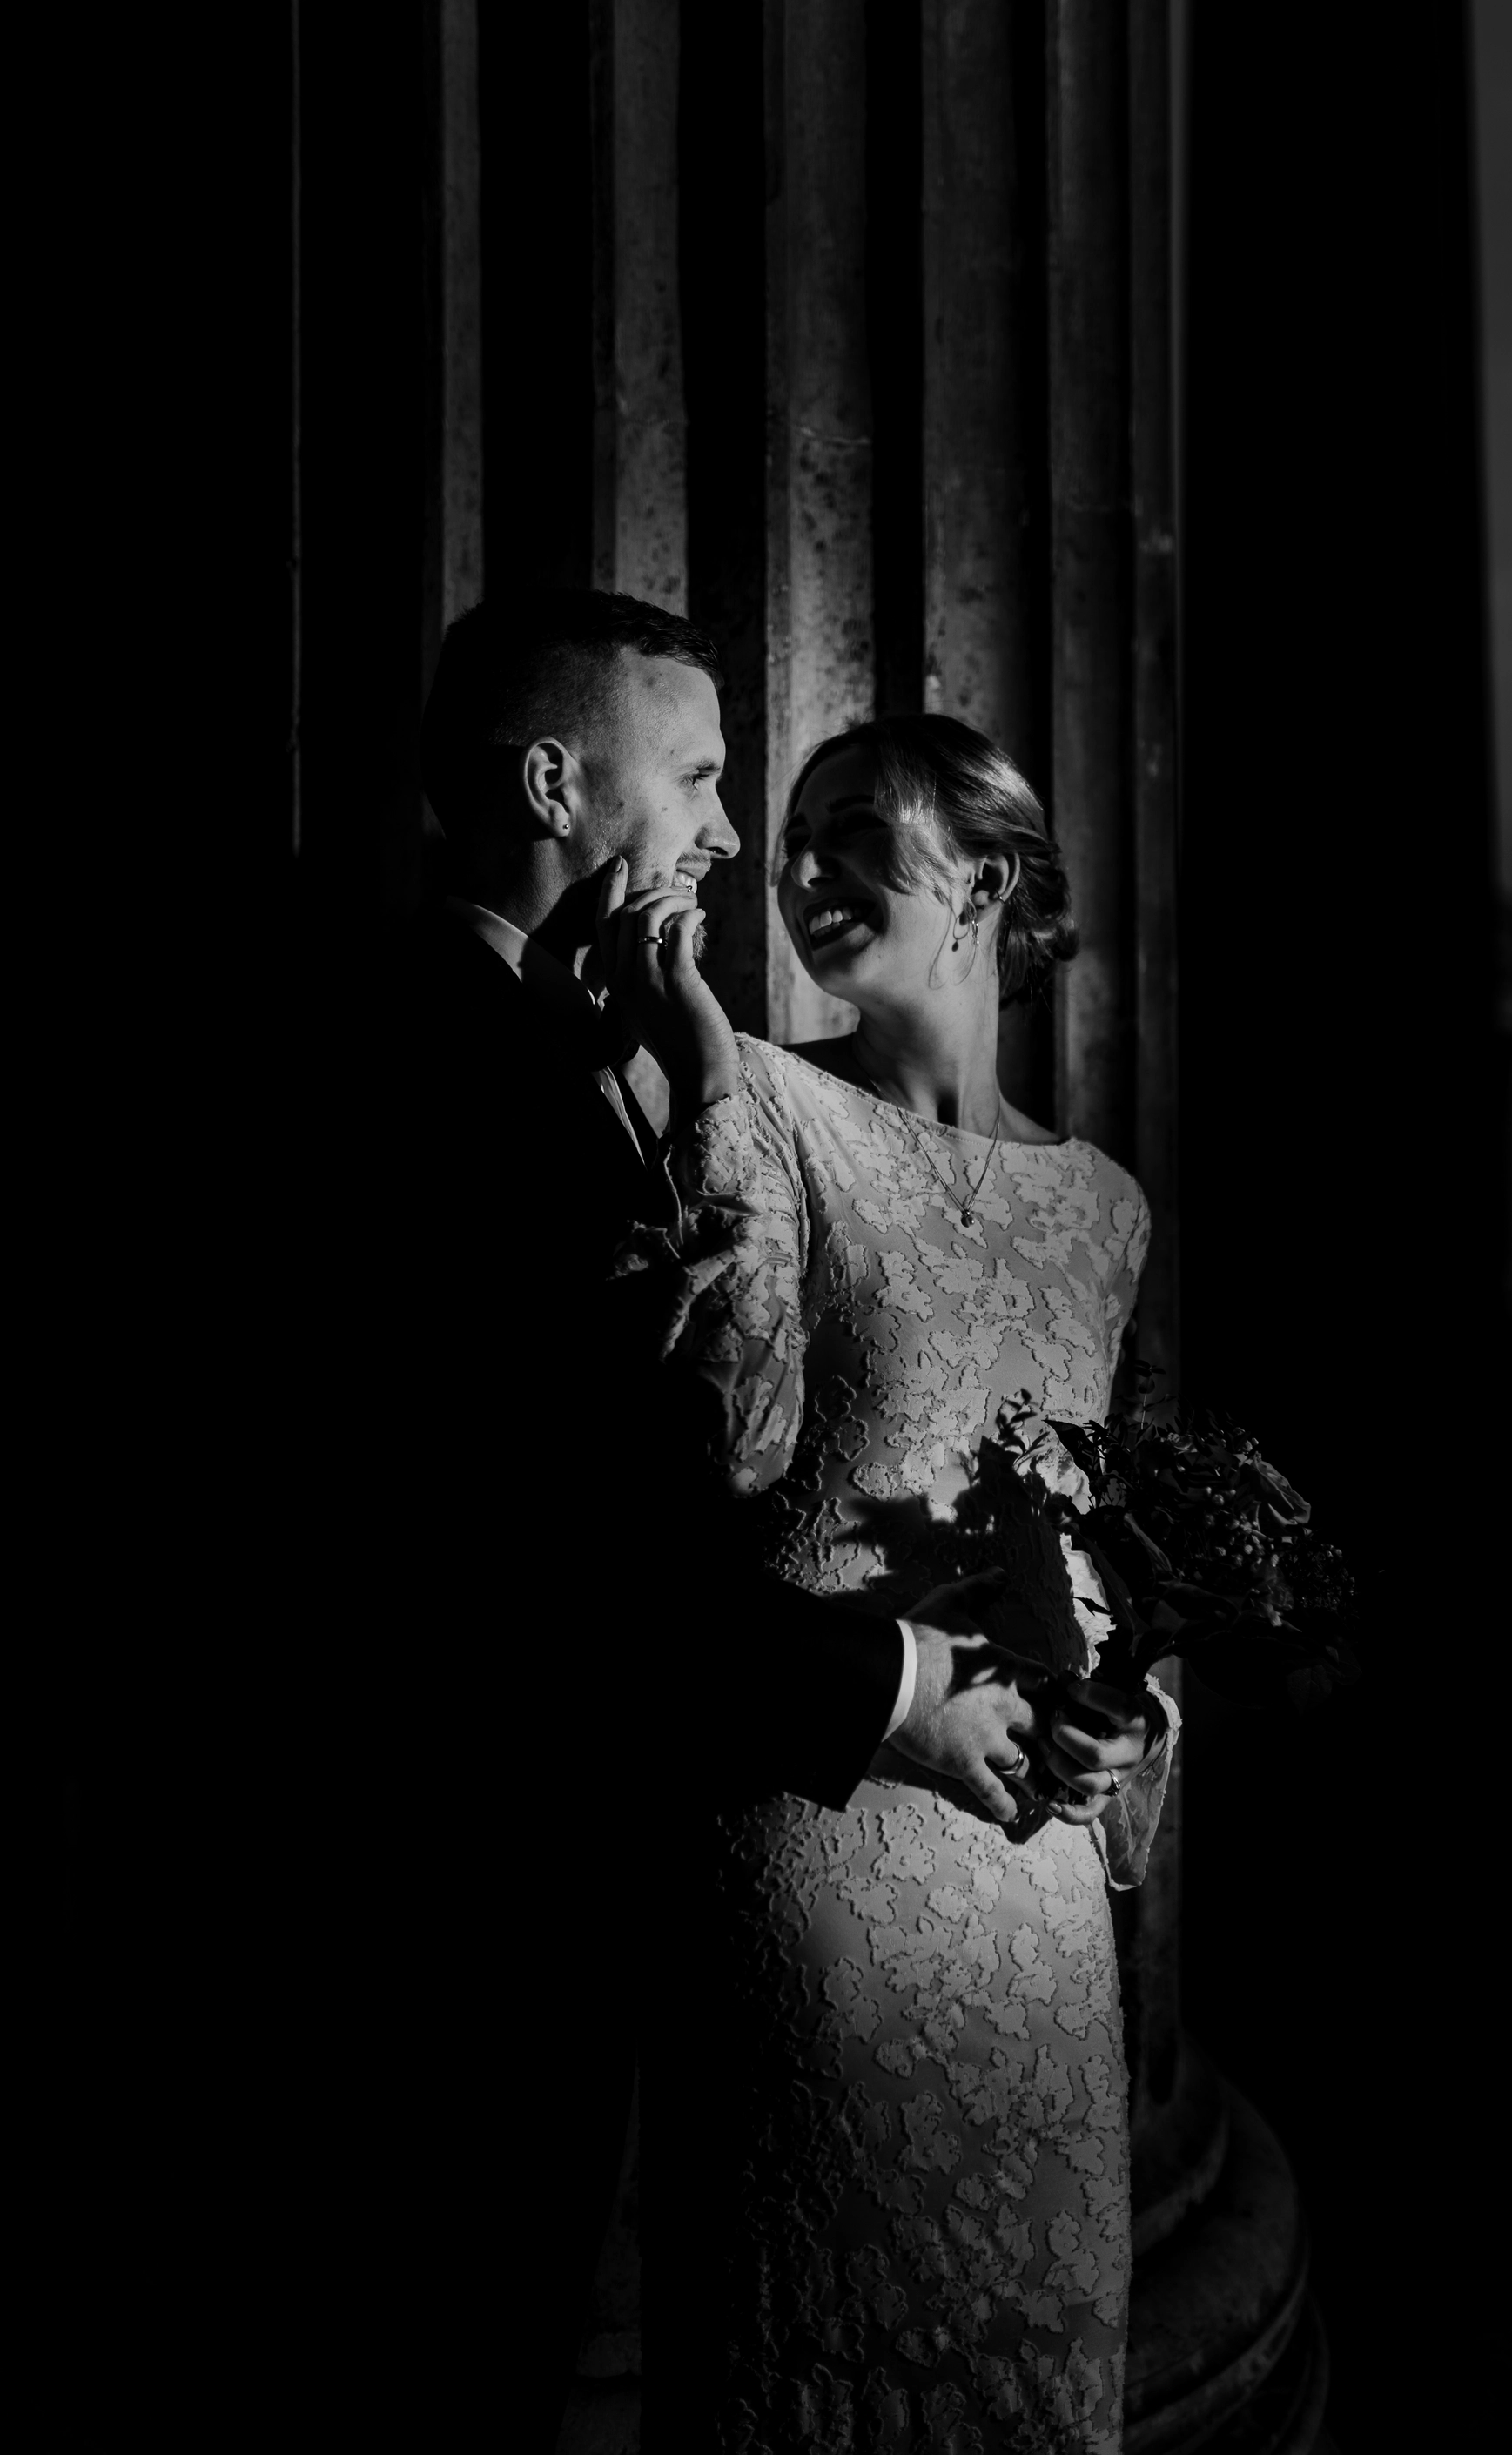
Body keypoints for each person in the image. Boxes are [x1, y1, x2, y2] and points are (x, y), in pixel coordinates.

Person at [340, 593, 1051, 2446]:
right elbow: (575, 1555)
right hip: (471, 1912)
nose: (736, 840)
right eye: (710, 779)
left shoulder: (531, 1043)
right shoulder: (441, 1066)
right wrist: (897, 1681)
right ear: (560, 780)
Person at [608, 712, 1179, 2450]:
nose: (802, 868)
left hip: (1028, 1890)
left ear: (986, 878)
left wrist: (1125, 1720)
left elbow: (1094, 1544)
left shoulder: (1105, 1209)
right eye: (791, 839)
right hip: (819, 1843)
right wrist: (705, 1070)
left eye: (856, 830)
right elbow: (731, 1443)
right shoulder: (756, 1096)